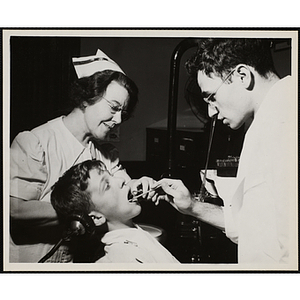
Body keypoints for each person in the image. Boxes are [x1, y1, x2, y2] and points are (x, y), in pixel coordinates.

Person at [157, 38, 297, 266]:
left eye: (212, 97)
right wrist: (192, 207)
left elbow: (293, 250)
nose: (211, 112)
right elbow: (252, 228)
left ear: (243, 76)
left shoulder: (287, 124)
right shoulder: (263, 122)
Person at [10, 49, 156, 263]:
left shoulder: (104, 155)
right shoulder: (36, 142)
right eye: (114, 108)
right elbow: (15, 210)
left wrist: (138, 186)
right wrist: (86, 207)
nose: (118, 120)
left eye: (123, 113)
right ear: (88, 96)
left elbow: (120, 187)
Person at [50, 160, 179, 264]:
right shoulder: (123, 260)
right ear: (96, 218)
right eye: (106, 185)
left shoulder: (134, 236)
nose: (121, 180)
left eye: (111, 176)